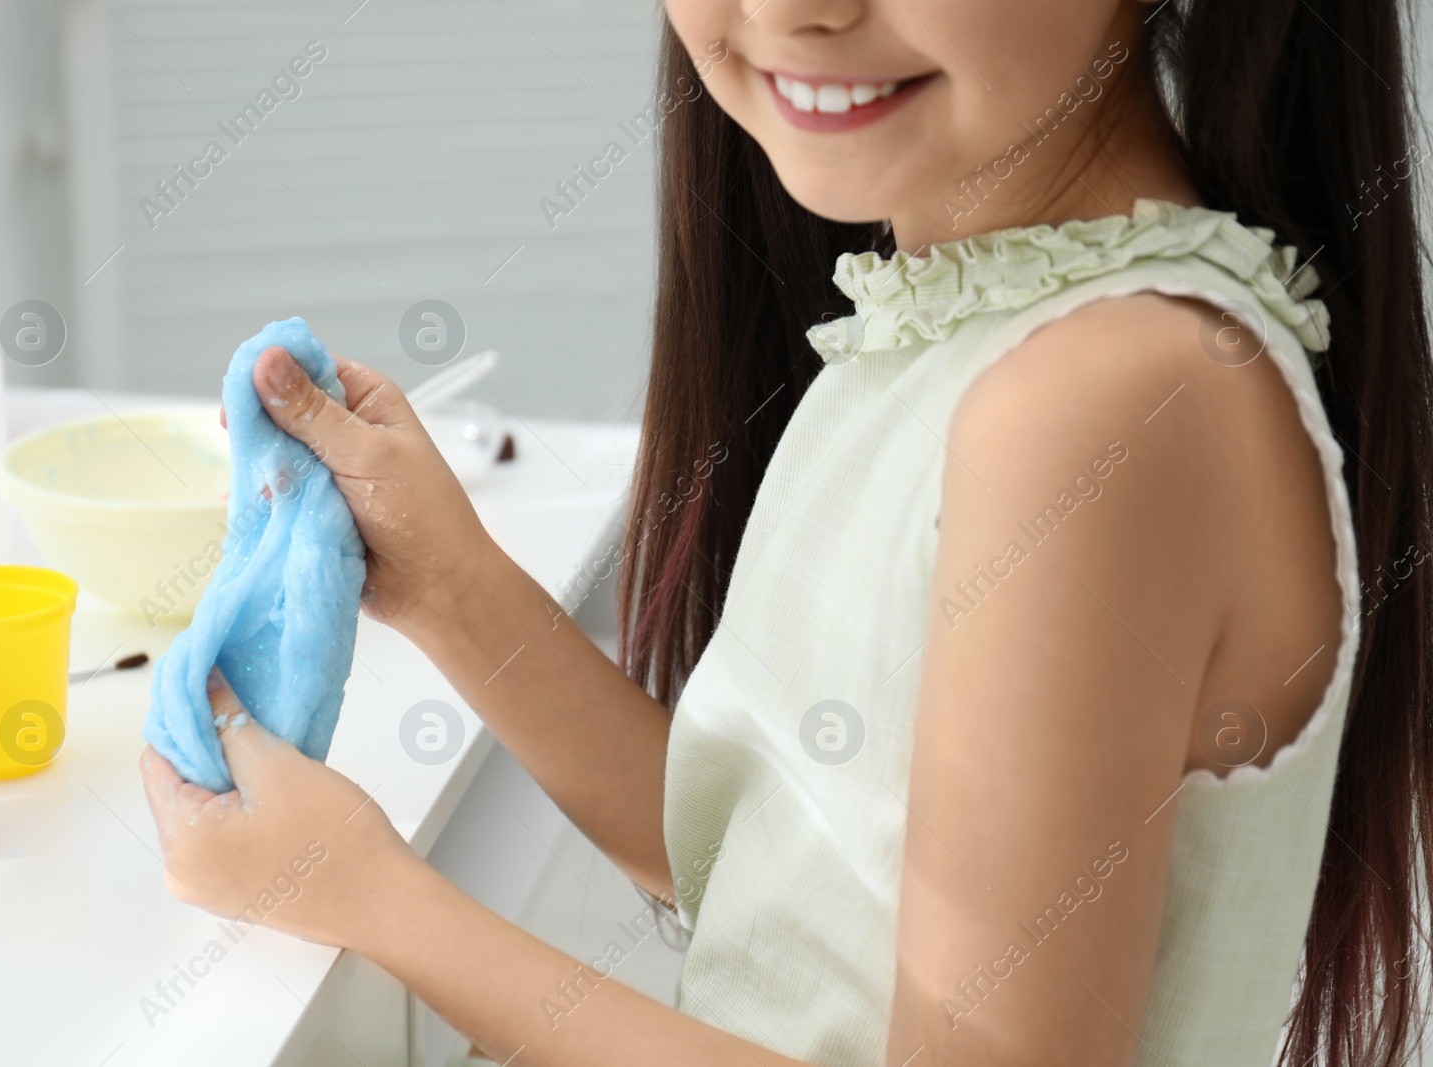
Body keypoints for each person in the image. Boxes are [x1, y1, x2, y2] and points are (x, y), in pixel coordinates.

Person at [141, 0, 1433, 1062]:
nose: (796, 12)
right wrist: (456, 589)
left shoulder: (1100, 405)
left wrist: (373, 897)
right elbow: (784, 869)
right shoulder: (970, 319)